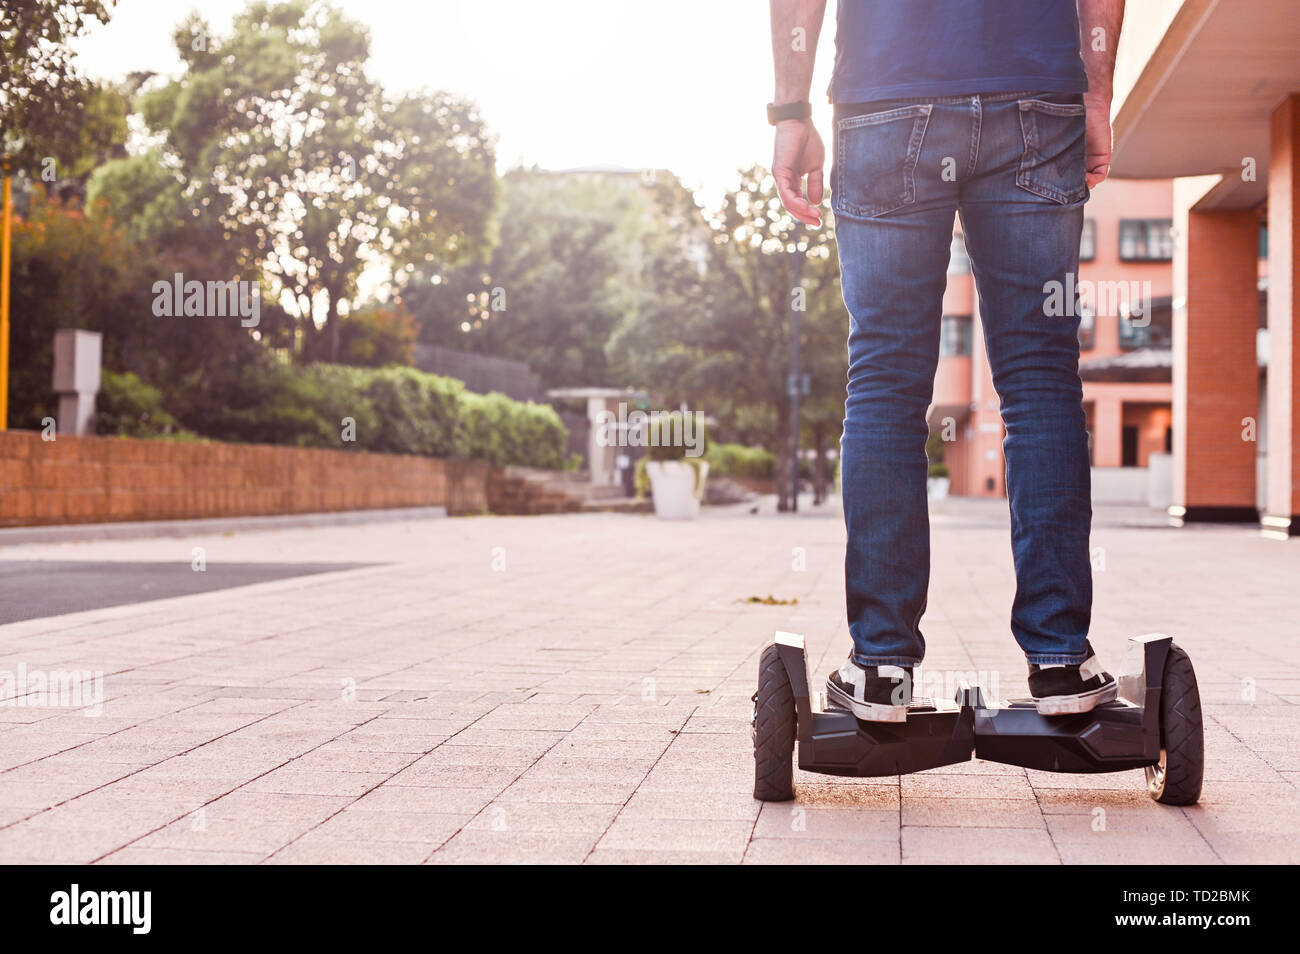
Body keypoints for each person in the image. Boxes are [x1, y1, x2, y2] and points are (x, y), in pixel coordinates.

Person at [768, 0, 1126, 721]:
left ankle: (881, 669)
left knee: (885, 382)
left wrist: (790, 111)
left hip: (884, 96)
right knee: (1040, 377)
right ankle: (1060, 660)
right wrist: (1095, 91)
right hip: (1035, 93)